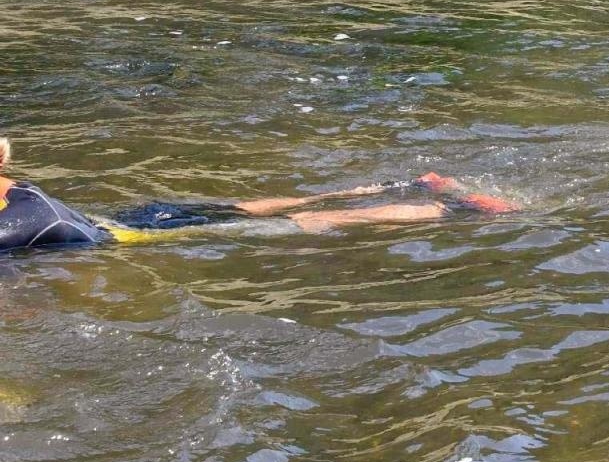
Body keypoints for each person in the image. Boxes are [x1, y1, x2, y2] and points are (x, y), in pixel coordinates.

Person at [0, 136, 514, 255]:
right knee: (243, 205)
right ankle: (399, 184)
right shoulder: (16, 194)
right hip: (117, 217)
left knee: (303, 223)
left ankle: (442, 207)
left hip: (121, 237)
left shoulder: (23, 219)